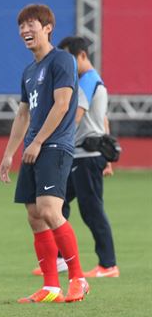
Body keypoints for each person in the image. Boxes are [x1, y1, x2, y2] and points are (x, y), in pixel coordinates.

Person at [0, 4, 90, 303]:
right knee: (35, 215)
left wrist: (38, 142)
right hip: (33, 149)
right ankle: (51, 286)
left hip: (54, 146)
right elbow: (23, 115)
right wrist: (9, 153)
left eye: (32, 24)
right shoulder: (29, 71)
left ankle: (78, 278)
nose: (26, 30)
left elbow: (63, 104)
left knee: (50, 210)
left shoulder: (61, 60)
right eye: (22, 25)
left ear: (48, 27)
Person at [57, 36, 119, 278]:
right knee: (58, 202)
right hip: (86, 154)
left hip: (86, 155)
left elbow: (76, 116)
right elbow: (103, 119)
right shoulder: (96, 81)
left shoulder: (86, 81)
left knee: (92, 210)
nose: (68, 65)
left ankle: (108, 264)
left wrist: (57, 142)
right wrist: (109, 157)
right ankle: (61, 259)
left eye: (70, 59)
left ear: (82, 55)